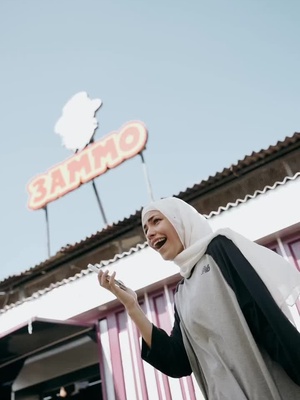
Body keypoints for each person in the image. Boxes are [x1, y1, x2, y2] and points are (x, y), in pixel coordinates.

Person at [98, 196, 300, 399]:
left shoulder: (219, 249)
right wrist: (132, 306)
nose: (149, 233)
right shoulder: (182, 293)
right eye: (145, 229)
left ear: (179, 220)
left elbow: (265, 320)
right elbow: (178, 361)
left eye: (156, 221)